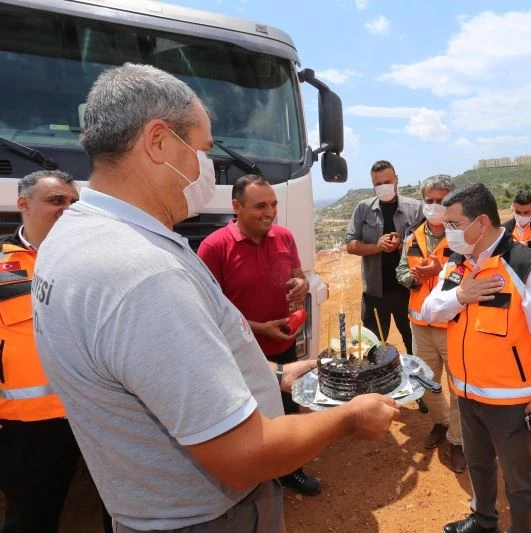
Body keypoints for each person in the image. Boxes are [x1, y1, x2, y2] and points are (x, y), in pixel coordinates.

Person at [31, 63, 397, 532]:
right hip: (208, 516)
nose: (207, 168)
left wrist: (275, 374)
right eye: (203, 150)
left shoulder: (71, 236)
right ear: (158, 142)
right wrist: (348, 419)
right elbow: (243, 455)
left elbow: (158, 369)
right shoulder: (143, 273)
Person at [421, 183, 531, 533]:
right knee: (479, 465)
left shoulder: (526, 268)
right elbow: (430, 310)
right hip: (466, 393)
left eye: (454, 224)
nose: (447, 230)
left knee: (518, 478)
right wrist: (460, 296)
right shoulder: (457, 263)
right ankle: (483, 521)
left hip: (511, 402)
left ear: (482, 223)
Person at [198, 175, 321, 496]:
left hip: (283, 344)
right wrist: (258, 328)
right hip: (239, 352)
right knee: (247, 419)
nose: (270, 213)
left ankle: (291, 471)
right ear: (236, 207)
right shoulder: (214, 247)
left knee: (287, 409)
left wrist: (301, 285)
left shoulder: (284, 237)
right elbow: (207, 310)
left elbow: (297, 275)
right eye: (260, 206)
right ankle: (256, 482)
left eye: (274, 205)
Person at [0, 171, 80, 533]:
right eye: (56, 201)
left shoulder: (92, 260)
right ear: (24, 204)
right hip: (27, 426)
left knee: (120, 512)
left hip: (96, 413)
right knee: (32, 519)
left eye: (73, 203)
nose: (67, 209)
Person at [395, 174, 465, 473]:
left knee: (458, 385)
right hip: (420, 324)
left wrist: (441, 271)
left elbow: (473, 271)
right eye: (430, 200)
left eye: (441, 200)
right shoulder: (413, 238)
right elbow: (401, 270)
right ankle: (441, 422)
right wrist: (413, 278)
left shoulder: (462, 236)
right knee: (426, 381)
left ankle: (458, 440)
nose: (435, 205)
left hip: (453, 324)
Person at [345, 160, 423, 355]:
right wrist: (377, 247)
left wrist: (402, 246)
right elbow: (350, 245)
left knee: (415, 348)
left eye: (387, 182)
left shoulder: (416, 209)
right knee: (372, 351)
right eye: (377, 183)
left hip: (410, 292)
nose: (383, 187)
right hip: (375, 294)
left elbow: (429, 246)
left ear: (396, 180)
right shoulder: (363, 209)